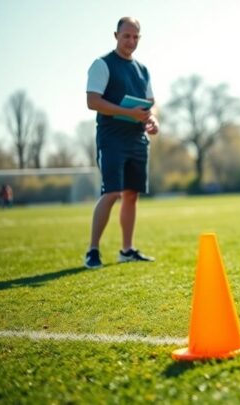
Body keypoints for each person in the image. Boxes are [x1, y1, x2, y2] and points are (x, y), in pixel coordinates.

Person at [83, 17, 159, 269]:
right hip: (111, 139)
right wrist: (130, 113)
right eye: (126, 36)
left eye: (136, 36)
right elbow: (93, 101)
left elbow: (150, 104)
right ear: (116, 35)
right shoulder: (102, 64)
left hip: (137, 139)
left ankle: (127, 250)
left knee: (131, 195)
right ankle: (92, 251)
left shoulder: (143, 70)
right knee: (112, 192)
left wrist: (152, 120)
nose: (131, 41)